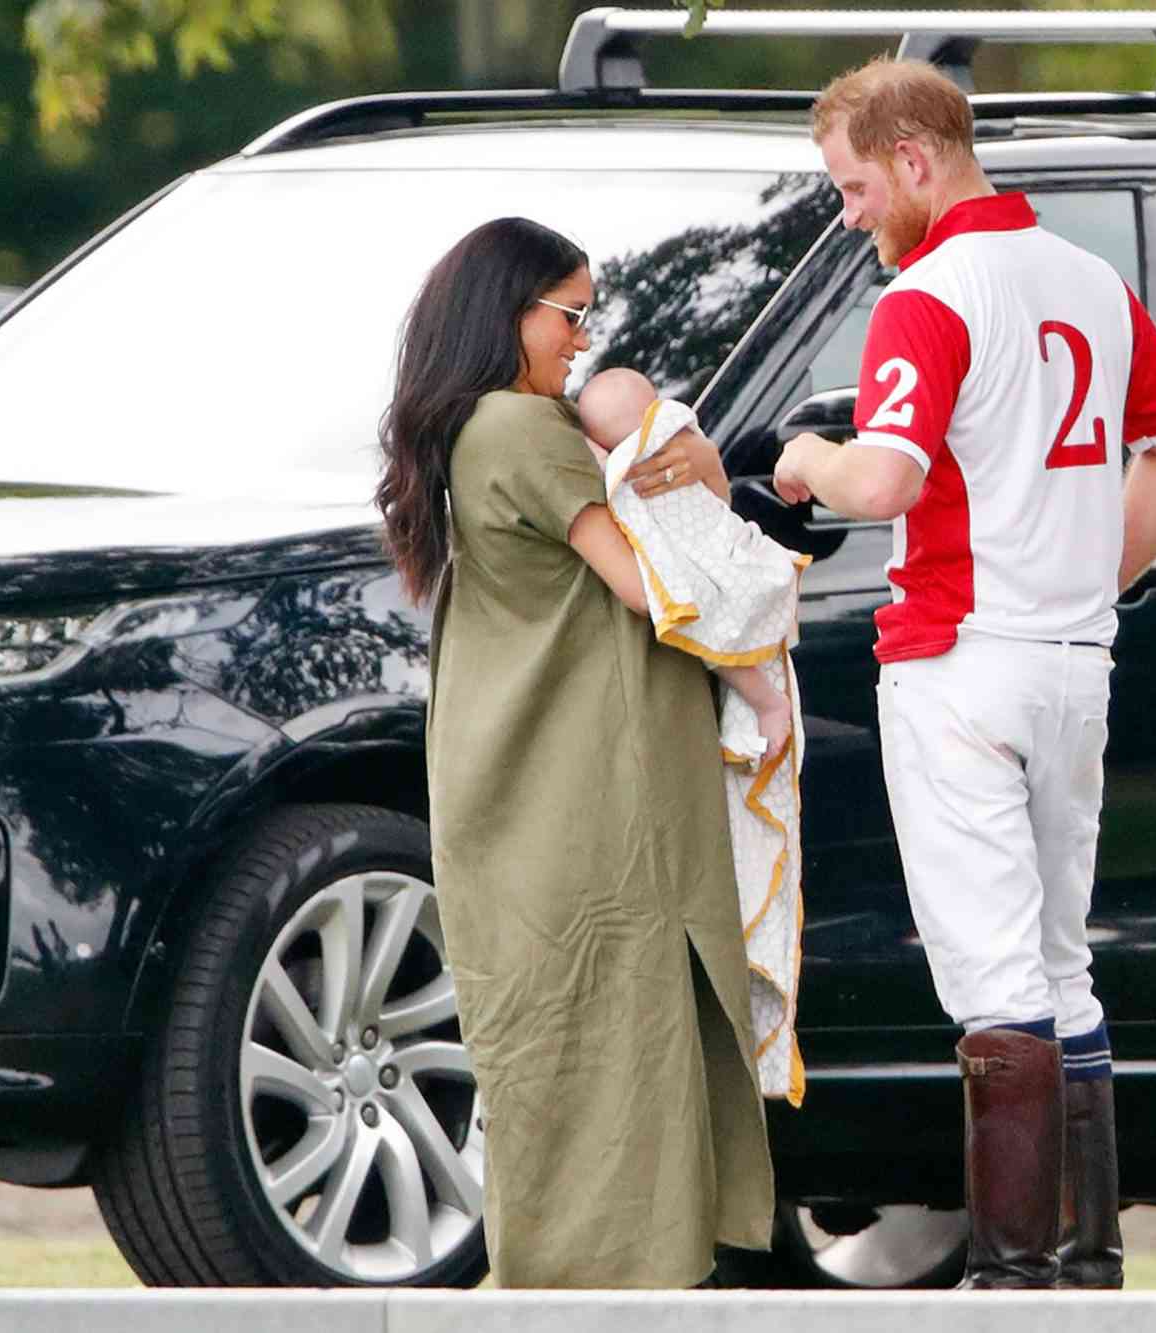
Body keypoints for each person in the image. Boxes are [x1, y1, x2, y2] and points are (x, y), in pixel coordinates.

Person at [773, 59, 1156, 1290]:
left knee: (991, 976)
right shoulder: (1087, 278)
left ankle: (1016, 1272)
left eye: (857, 186)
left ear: (914, 160)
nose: (852, 212)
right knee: (1060, 960)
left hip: (959, 661)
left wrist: (810, 456)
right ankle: (1083, 1261)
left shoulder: (928, 295)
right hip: (1074, 658)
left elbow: (887, 480)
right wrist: (1093, 568)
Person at [375, 217, 773, 1289]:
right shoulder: (524, 429)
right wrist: (705, 495)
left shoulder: (468, 432)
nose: (581, 340)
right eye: (569, 314)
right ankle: (607, 1295)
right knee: (620, 1058)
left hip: (521, 797)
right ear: (508, 313)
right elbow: (656, 587)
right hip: (590, 797)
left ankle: (563, 1288)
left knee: (555, 1063)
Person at [579, 364, 812, 1104]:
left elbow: (679, 567)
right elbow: (663, 583)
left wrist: (703, 466)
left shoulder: (669, 457)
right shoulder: (602, 470)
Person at [579, 366, 794, 769]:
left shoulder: (637, 459)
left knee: (715, 629)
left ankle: (768, 704)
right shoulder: (682, 432)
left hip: (713, 567)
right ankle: (764, 708)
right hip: (733, 557)